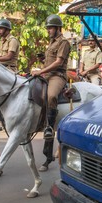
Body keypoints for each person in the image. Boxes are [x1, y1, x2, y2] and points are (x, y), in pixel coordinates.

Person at [32, 14, 70, 172]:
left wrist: (41, 71)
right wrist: (42, 60)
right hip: (46, 75)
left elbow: (59, 62)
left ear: (58, 28)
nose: (48, 30)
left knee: (51, 96)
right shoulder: (51, 43)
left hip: (57, 76)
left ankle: (49, 128)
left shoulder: (64, 42)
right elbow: (49, 61)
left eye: (50, 28)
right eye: (47, 28)